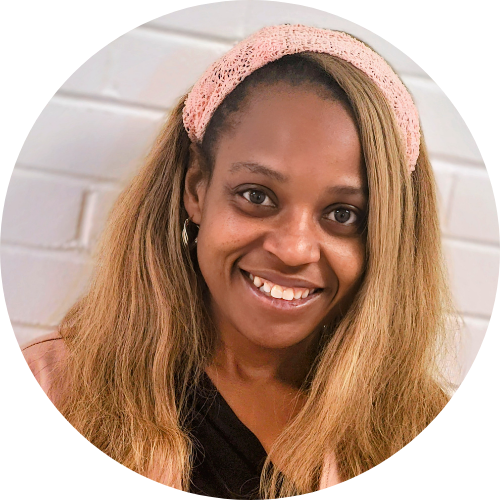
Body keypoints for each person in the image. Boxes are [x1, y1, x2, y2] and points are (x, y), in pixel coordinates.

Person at [20, 24, 457, 498]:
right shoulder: (58, 387)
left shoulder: (415, 425)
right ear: (196, 189)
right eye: (256, 195)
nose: (293, 250)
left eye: (342, 214)